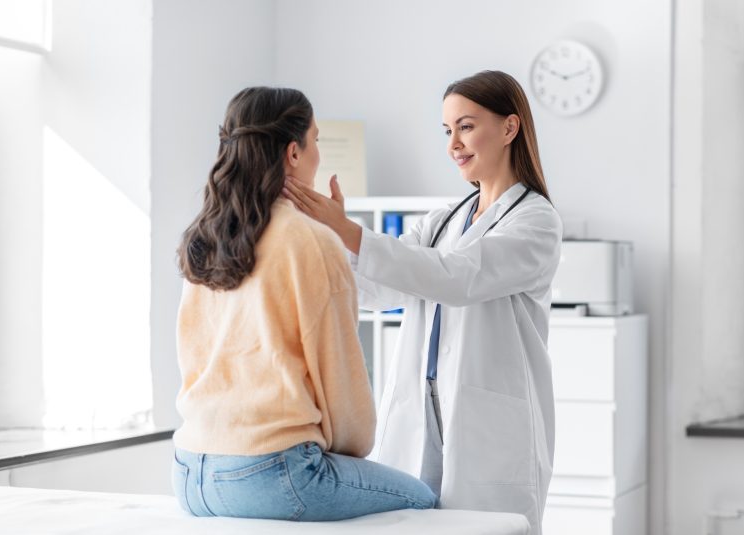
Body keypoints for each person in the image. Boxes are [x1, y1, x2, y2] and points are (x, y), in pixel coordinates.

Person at [282, 70, 562, 533]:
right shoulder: (442, 220)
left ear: (509, 128)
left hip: (485, 425)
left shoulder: (536, 221)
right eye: (447, 130)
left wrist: (347, 229)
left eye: (466, 127)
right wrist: (320, 237)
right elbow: (380, 290)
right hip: (422, 415)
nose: (454, 144)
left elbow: (457, 277)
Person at [172, 86, 436, 521]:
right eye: (315, 140)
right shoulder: (311, 240)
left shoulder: (206, 234)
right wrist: (352, 450)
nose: (318, 153)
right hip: (270, 473)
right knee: (424, 502)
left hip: (189, 471)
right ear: (293, 153)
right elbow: (344, 390)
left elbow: (193, 354)